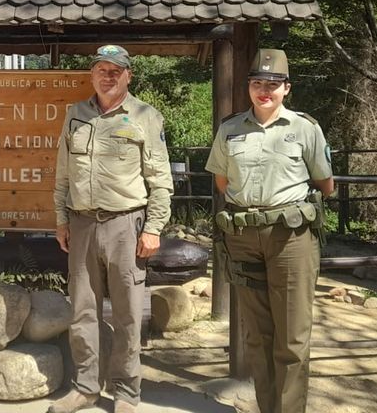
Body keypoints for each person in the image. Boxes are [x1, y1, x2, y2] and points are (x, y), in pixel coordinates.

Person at [205, 49, 333, 413]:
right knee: (258, 337)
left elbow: (326, 184)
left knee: (291, 338)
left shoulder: (304, 129)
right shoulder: (230, 129)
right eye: (258, 83)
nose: (265, 90)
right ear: (248, 87)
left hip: (290, 239)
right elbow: (221, 180)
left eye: (273, 84)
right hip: (244, 238)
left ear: (286, 88)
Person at [49, 44, 174, 413]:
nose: (108, 76)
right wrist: (61, 219)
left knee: (128, 315)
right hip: (82, 224)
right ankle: (85, 387)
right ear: (91, 74)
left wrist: (153, 228)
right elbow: (62, 174)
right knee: (83, 313)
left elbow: (160, 179)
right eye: (101, 69)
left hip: (126, 227)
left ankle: (126, 393)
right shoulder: (75, 115)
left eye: (115, 70)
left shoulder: (145, 117)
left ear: (128, 75)